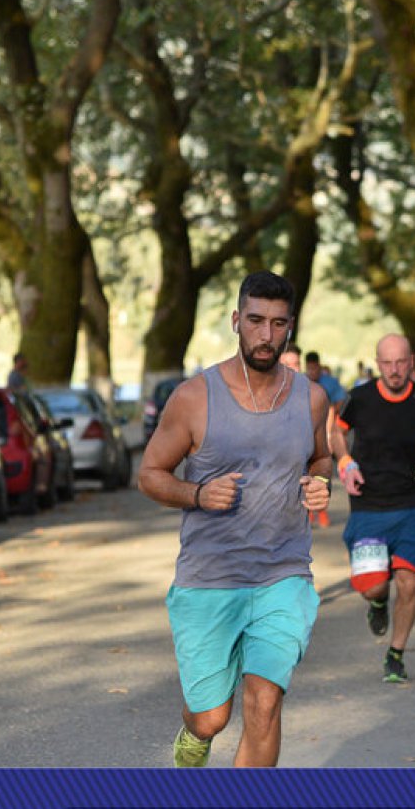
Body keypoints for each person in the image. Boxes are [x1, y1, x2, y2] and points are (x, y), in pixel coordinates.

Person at [138, 271, 333, 767]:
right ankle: (195, 734)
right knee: (211, 718)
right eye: (255, 321)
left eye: (278, 324)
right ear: (235, 321)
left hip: (283, 574)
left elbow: (321, 457)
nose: (266, 335)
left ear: (291, 327)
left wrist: (319, 481)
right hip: (209, 579)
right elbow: (151, 474)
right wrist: (198, 493)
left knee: (264, 705)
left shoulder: (311, 398)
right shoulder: (194, 397)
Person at [331, 333, 415, 683]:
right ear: (377, 364)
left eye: (401, 362)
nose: (394, 370)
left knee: (408, 582)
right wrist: (345, 463)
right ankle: (377, 602)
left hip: (411, 505)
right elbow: (335, 432)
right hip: (368, 506)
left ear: (411, 362)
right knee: (373, 587)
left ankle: (396, 654)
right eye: (387, 363)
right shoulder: (360, 398)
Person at [304, 351, 345, 530]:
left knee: (322, 473)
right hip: (305, 435)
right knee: (304, 474)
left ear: (319, 366)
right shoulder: (300, 383)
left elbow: (337, 405)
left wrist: (330, 434)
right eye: (309, 368)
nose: (312, 371)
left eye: (315, 368)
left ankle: (322, 512)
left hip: (324, 432)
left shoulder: (330, 383)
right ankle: (308, 513)